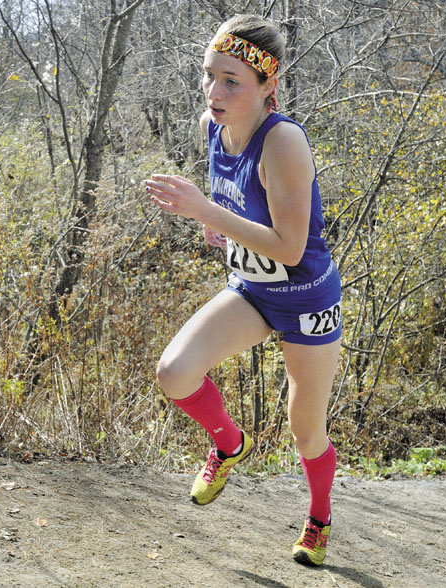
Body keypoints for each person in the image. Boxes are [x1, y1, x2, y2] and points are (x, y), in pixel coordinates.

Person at [144, 14, 342, 567]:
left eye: (231, 81)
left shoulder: (283, 142)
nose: (214, 91)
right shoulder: (213, 124)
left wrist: (207, 212)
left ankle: (319, 518)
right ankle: (230, 444)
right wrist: (216, 223)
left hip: (306, 300)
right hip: (253, 290)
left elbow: (290, 249)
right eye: (209, 75)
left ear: (267, 85)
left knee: (306, 432)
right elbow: (234, 202)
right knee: (174, 372)